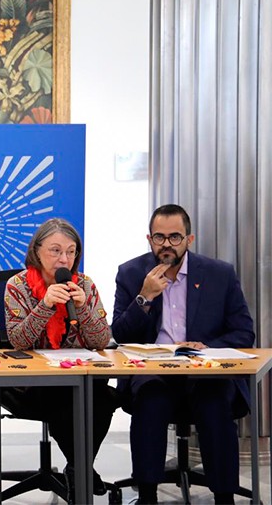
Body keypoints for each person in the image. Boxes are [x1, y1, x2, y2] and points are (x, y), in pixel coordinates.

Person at [111, 204, 254, 505]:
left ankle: (224, 496)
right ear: (149, 240)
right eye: (159, 237)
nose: (166, 244)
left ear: (189, 240)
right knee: (151, 398)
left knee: (214, 401)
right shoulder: (131, 273)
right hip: (154, 372)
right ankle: (147, 495)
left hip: (205, 371)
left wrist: (207, 347)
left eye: (175, 237)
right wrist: (144, 296)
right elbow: (121, 336)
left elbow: (244, 333)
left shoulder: (219, 274)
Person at [3, 217, 116, 500]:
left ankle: (79, 468)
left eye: (70, 251)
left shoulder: (85, 286)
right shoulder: (17, 286)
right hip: (31, 383)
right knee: (64, 398)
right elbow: (19, 340)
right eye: (55, 250)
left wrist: (83, 308)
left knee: (102, 398)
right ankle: (83, 471)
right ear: (37, 251)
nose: (63, 258)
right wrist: (45, 306)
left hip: (79, 377)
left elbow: (102, 340)